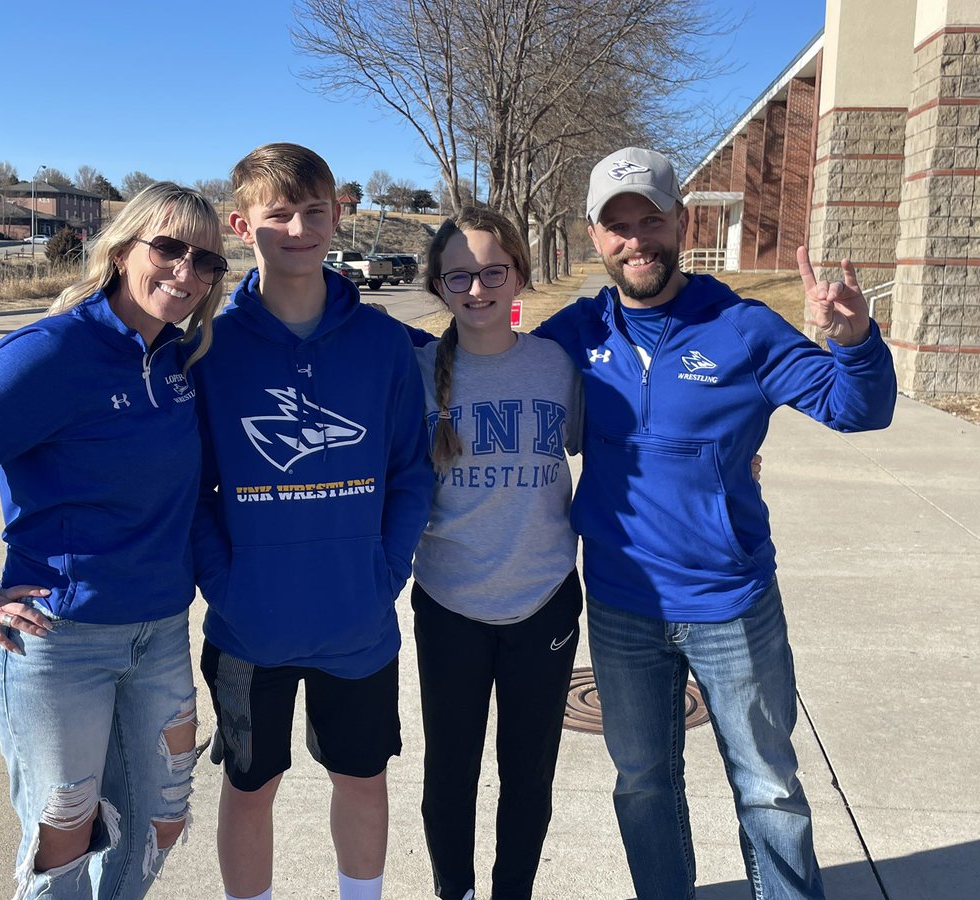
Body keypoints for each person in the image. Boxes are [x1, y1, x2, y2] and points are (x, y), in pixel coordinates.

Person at [534, 147, 898, 900]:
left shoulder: (743, 327)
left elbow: (859, 410)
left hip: (732, 603)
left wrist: (856, 342)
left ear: (681, 221)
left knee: (768, 785)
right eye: (618, 227)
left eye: (651, 220)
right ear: (596, 239)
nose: (637, 241)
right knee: (642, 784)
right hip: (621, 602)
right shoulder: (575, 332)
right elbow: (483, 366)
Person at [0, 183, 228, 900]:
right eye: (168, 248)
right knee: (63, 838)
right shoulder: (54, 352)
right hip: (59, 643)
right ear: (121, 250)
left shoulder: (179, 361)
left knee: (160, 822)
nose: (185, 271)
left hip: (162, 634)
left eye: (206, 261)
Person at [189, 143, 433, 900]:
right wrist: (225, 583)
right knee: (249, 787)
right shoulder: (208, 346)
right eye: (279, 213)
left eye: (316, 211)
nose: (299, 228)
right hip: (248, 626)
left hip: (356, 622)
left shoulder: (382, 342)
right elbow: (191, 490)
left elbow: (411, 471)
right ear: (240, 224)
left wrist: (383, 574)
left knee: (361, 780)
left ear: (338, 216)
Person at [412, 208, 584, 900]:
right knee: (449, 772)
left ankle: (515, 890)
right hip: (450, 601)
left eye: (493, 272)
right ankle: (452, 889)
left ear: (518, 274)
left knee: (529, 773)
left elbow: (625, 445)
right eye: (460, 274)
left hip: (543, 599)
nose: (477, 289)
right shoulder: (417, 374)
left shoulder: (556, 367)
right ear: (438, 282)